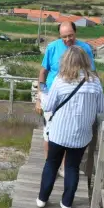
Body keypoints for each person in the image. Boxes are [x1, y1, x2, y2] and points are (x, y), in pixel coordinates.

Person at [37, 46, 104, 208]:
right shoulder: (95, 83)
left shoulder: (60, 81)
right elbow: (101, 110)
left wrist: (42, 95)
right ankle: (67, 203)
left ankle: (42, 198)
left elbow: (48, 106)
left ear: (66, 61)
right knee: (72, 167)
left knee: (52, 164)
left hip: (59, 133)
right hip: (81, 135)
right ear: (85, 61)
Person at [36, 22, 95, 151]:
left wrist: (101, 97)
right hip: (51, 97)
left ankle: (63, 168)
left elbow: (93, 73)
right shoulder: (52, 47)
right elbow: (43, 73)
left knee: (67, 135)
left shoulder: (85, 49)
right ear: (59, 36)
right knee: (48, 133)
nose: (68, 39)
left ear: (75, 32)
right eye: (64, 37)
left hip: (75, 99)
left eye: (70, 35)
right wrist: (39, 98)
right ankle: (49, 164)